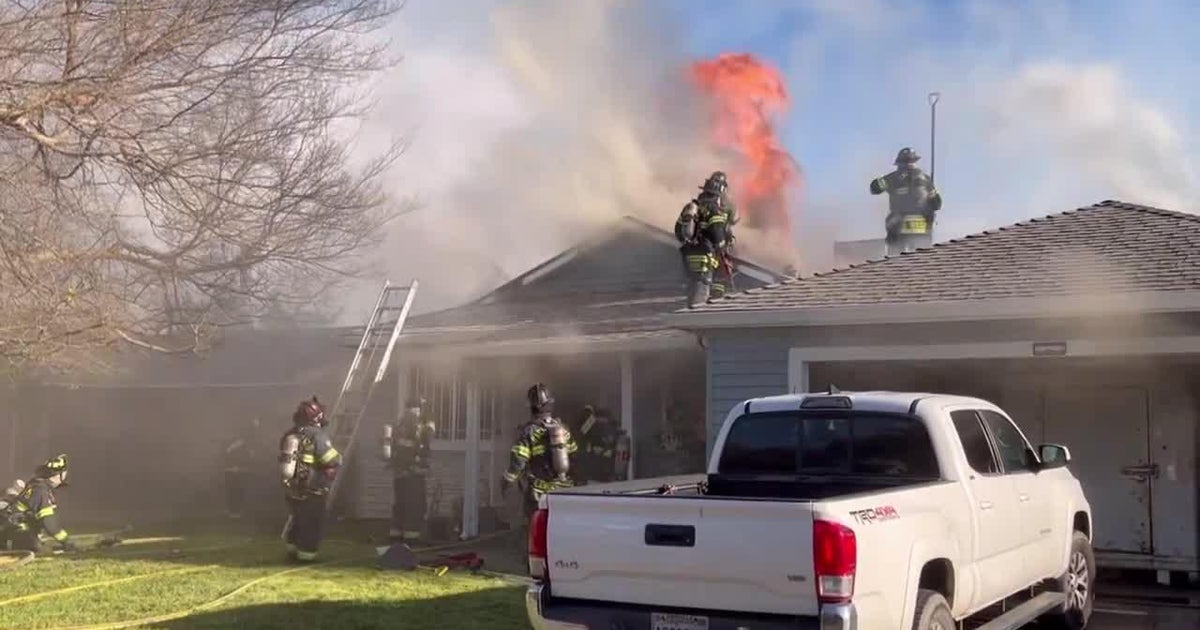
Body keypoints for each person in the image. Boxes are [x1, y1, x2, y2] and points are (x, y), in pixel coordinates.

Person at [279, 396, 342, 563]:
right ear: (316, 417)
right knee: (312, 523)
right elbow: (331, 459)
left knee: (297, 519)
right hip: (312, 489)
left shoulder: (290, 434)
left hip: (292, 489)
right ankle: (306, 556)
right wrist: (337, 458)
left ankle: (291, 550)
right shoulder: (317, 435)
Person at [502, 384, 578, 519]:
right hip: (564, 493)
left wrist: (505, 482)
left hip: (539, 496)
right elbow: (574, 457)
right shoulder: (563, 430)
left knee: (537, 533)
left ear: (531, 407)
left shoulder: (528, 432)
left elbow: (517, 464)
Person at [675, 171, 739, 307]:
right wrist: (723, 246)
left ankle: (694, 308)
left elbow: (679, 232)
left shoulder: (694, 207)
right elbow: (717, 233)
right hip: (706, 257)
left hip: (689, 257)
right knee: (702, 292)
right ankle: (700, 313)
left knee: (693, 288)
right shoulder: (715, 209)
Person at [870, 147, 943, 255]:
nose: (908, 165)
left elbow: (875, 188)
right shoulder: (925, 179)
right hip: (916, 226)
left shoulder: (894, 178)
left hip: (903, 225)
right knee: (919, 257)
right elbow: (937, 204)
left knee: (897, 258)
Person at [381, 397, 435, 544]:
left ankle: (395, 535)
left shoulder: (399, 423)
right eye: (420, 408)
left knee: (400, 504)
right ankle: (411, 540)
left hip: (399, 472)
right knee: (414, 505)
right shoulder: (417, 424)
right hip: (414, 472)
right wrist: (429, 420)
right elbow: (428, 436)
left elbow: (391, 446)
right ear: (417, 408)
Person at [8, 454, 77, 554]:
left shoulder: (37, 486)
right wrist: (67, 542)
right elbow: (49, 523)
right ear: (57, 475)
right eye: (64, 474)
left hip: (15, 531)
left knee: (41, 547)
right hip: (17, 534)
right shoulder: (41, 491)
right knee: (40, 551)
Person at [223, 416, 262, 520]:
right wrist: (233, 466)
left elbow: (249, 455)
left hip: (240, 469)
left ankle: (237, 510)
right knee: (234, 490)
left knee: (239, 490)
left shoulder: (249, 443)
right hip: (235, 470)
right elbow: (230, 452)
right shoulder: (239, 443)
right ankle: (234, 510)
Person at [576, 406, 623, 484]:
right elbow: (582, 432)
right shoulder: (590, 432)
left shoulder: (616, 434)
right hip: (593, 476)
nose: (602, 426)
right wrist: (591, 418)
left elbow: (620, 456)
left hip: (609, 477)